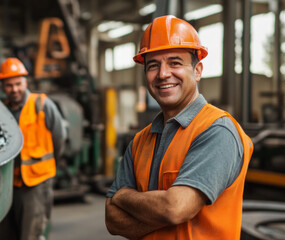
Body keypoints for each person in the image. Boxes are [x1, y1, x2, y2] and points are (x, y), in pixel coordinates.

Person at [105, 15, 254, 240]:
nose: (163, 74)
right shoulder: (139, 142)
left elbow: (176, 208)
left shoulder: (216, 130)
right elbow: (112, 219)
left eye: (175, 62)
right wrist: (163, 211)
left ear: (197, 70)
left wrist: (123, 197)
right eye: (153, 65)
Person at [0, 57, 66, 240]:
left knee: (32, 235)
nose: (14, 89)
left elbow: (59, 139)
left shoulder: (42, 105)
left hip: (36, 184)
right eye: (9, 85)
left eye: (18, 84)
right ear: (2, 87)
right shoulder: (1, 111)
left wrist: (49, 166)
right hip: (10, 184)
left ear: (25, 82)